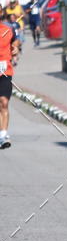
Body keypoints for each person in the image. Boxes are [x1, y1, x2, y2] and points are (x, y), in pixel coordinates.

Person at [0, 10, 20, 149]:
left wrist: (16, 47)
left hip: (5, 71)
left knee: (4, 102)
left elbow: (15, 41)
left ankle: (3, 136)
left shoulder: (7, 29)